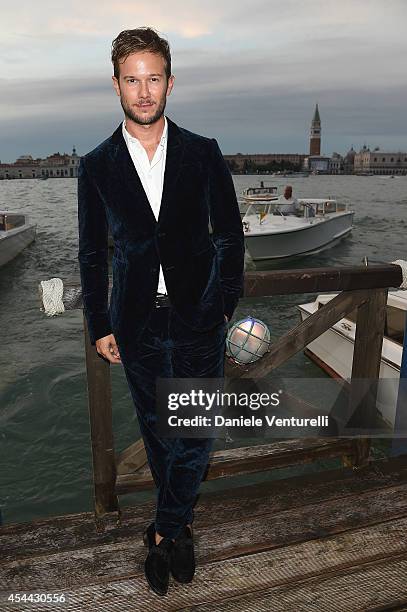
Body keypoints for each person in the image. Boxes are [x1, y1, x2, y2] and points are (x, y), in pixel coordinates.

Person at [77, 27, 245, 596]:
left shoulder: (203, 152)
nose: (144, 91)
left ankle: (163, 529)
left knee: (195, 433)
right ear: (118, 86)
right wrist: (100, 324)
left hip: (199, 317)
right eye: (132, 80)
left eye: (154, 79)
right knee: (157, 434)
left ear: (170, 83)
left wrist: (223, 303)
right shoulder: (96, 165)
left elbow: (229, 235)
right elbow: (91, 252)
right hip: (136, 323)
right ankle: (181, 525)